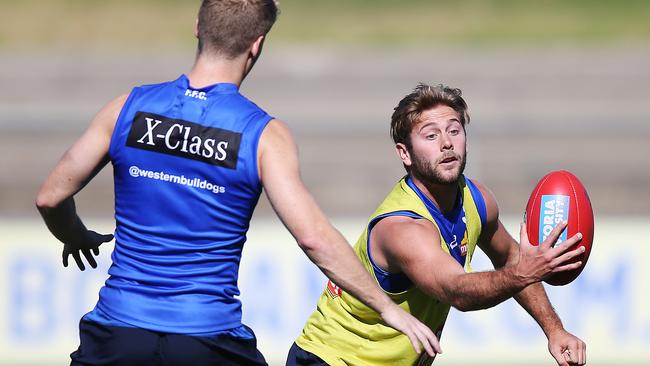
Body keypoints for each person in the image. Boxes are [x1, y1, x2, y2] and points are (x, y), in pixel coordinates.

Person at [35, 1, 441, 365]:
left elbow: (51, 196)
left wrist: (74, 234)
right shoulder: (262, 135)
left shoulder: (128, 107)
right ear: (257, 45)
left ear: (198, 26)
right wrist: (386, 309)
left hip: (115, 334)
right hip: (206, 340)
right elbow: (314, 238)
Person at [288, 83, 587, 366]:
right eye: (430, 136)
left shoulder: (477, 199)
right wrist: (522, 274)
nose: (447, 143)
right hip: (332, 358)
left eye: (454, 131)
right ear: (405, 153)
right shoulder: (402, 228)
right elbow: (457, 291)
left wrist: (554, 330)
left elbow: (511, 257)